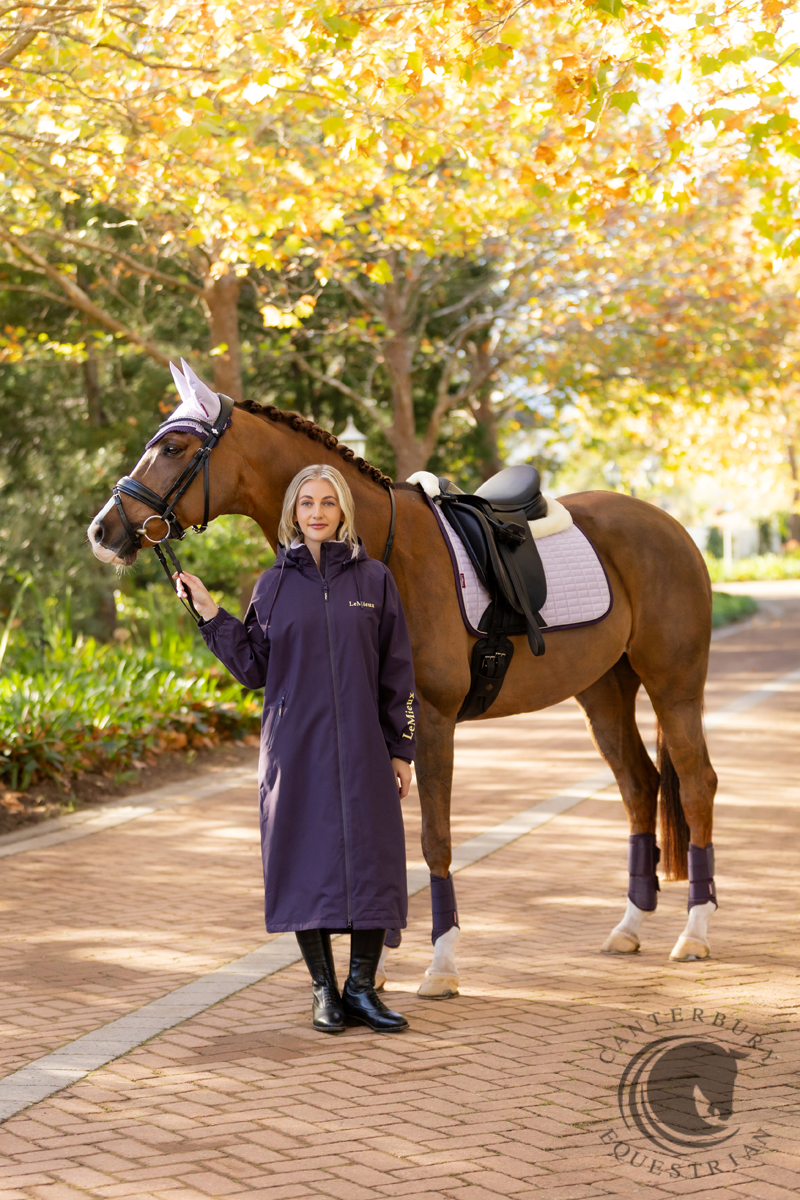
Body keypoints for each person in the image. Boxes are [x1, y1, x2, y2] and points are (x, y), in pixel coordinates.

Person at [175, 463, 418, 1035]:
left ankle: (361, 989)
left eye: (327, 503)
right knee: (303, 860)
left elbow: (398, 672)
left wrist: (402, 749)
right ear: (292, 512)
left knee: (375, 859)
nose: (316, 512)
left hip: (364, 747)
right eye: (306, 502)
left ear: (342, 513)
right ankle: (323, 991)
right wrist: (210, 613)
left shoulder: (374, 579)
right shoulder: (273, 584)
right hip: (294, 749)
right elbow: (254, 667)